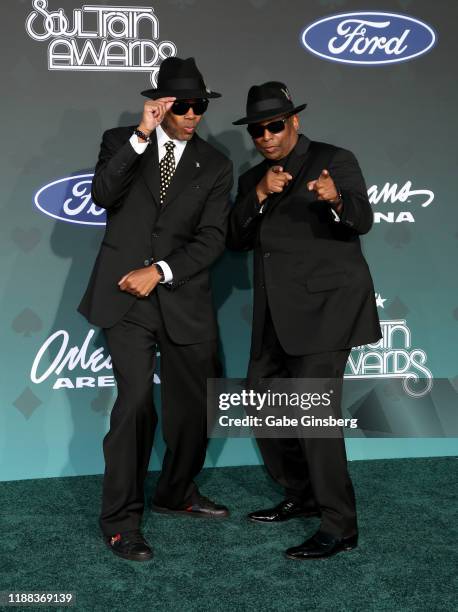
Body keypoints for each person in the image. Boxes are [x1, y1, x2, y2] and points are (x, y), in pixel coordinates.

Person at [78, 57, 233, 562]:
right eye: (182, 106)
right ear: (161, 103)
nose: (192, 115)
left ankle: (175, 492)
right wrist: (141, 136)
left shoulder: (214, 164)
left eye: (200, 107)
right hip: (125, 299)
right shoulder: (120, 141)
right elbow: (103, 193)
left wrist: (161, 270)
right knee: (137, 403)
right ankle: (122, 522)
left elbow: (212, 238)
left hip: (181, 297)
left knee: (192, 409)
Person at [228, 81, 381, 560]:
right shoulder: (254, 177)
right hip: (274, 315)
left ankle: (340, 525)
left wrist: (336, 199)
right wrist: (257, 192)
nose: (267, 136)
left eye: (275, 125)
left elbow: (362, 218)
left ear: (294, 121)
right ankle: (303, 492)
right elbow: (235, 238)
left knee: (314, 416)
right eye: (258, 130)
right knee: (262, 404)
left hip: (326, 312)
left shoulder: (335, 158)